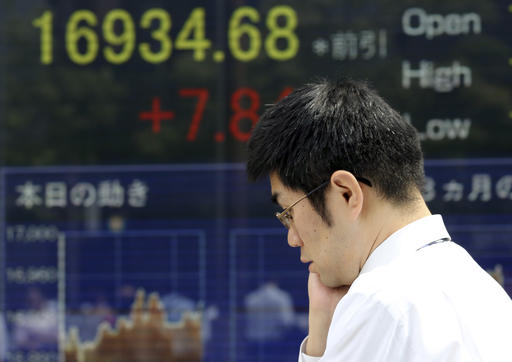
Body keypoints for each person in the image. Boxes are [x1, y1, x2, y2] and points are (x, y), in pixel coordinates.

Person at [246, 78, 512, 361]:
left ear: (347, 194)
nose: (292, 238)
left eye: (289, 212)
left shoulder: (379, 301)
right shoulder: (482, 289)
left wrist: (319, 348)